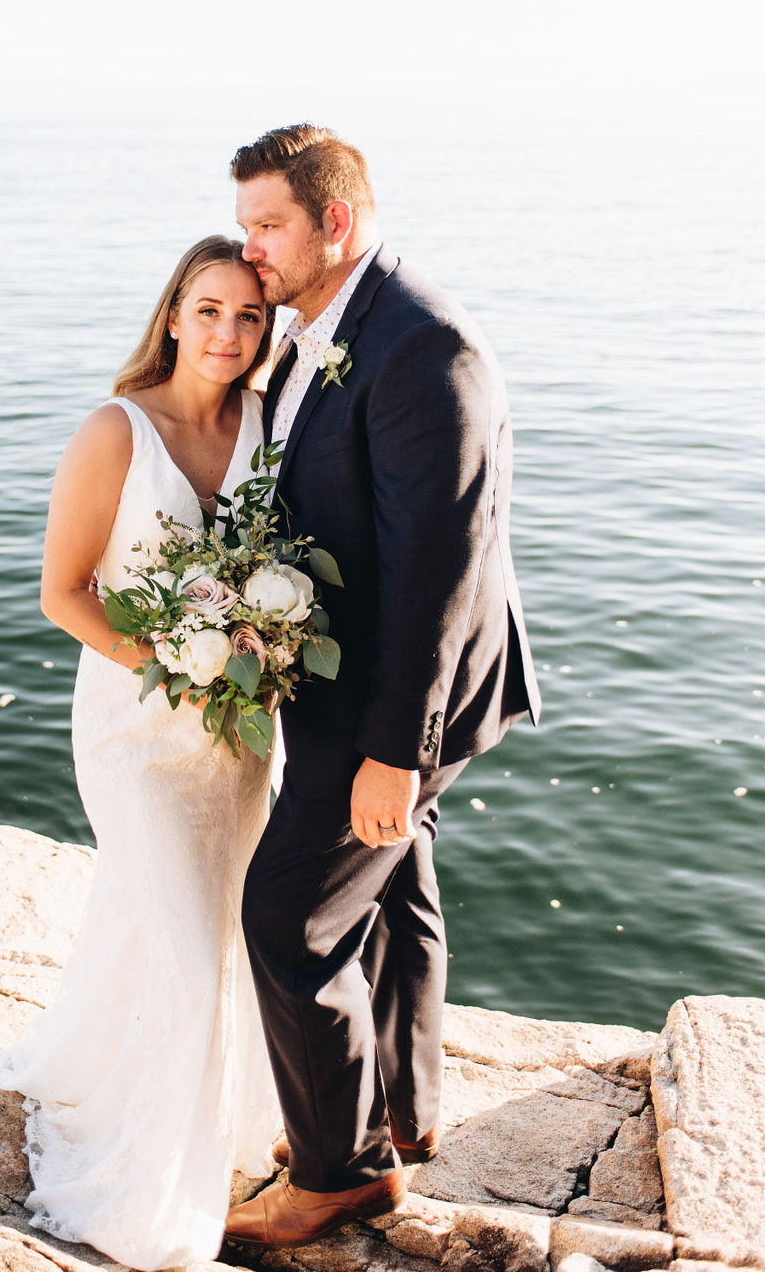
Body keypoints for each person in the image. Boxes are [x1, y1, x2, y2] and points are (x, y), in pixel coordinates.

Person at [222, 125, 542, 1250]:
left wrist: (392, 754)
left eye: (268, 225)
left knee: (289, 915)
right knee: (393, 886)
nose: (248, 248)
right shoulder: (334, 325)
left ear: (334, 223)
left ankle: (339, 1173)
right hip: (357, 675)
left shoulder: (420, 344)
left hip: (407, 691)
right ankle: (394, 1117)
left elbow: (434, 570)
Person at [0, 236, 281, 1271]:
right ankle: (155, 1189)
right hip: (135, 728)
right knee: (183, 936)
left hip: (242, 739)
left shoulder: (267, 429)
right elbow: (62, 591)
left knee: (221, 928)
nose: (228, 333)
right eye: (208, 311)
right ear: (171, 315)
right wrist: (175, 664)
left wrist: (254, 651)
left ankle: (204, 1097)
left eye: (248, 315)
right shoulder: (116, 431)